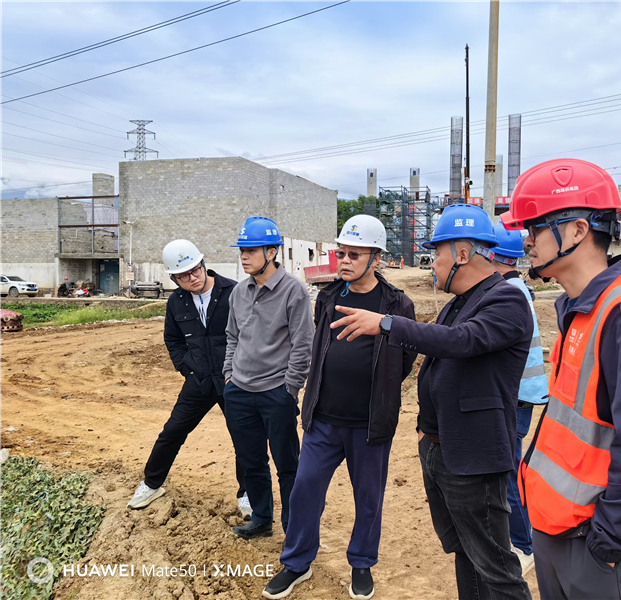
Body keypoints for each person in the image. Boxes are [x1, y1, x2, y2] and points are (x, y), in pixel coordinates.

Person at [327, 203, 534, 600]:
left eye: (436, 254)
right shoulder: (458, 301)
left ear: (462, 254)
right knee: (465, 551)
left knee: (495, 565)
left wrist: (386, 323)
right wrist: (425, 431)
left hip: (473, 458)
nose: (431, 265)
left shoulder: (506, 300)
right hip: (442, 449)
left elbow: (462, 342)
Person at [504, 159, 621, 600]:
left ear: (577, 230)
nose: (526, 240)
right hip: (560, 530)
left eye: (535, 227)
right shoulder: (580, 309)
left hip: (601, 549)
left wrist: (606, 544)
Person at [264, 215, 417, 600]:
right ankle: (297, 563)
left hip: (369, 424)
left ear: (376, 258)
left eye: (354, 254)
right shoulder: (329, 296)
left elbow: (404, 360)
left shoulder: (398, 304)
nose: (344, 261)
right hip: (323, 420)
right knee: (305, 490)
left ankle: (361, 563)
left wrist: (379, 389)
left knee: (368, 498)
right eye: (341, 253)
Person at [128, 240, 248, 516]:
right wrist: (187, 368)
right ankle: (151, 484)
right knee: (172, 432)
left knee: (245, 438)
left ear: (203, 265)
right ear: (174, 279)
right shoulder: (176, 301)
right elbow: (173, 339)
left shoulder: (234, 292)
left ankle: (248, 494)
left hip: (234, 380)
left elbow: (251, 334)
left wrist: (242, 371)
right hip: (199, 380)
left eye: (195, 270)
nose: (192, 278)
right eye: (183, 276)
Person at [223, 217, 314, 540]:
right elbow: (232, 336)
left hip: (277, 393)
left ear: (272, 252)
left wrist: (290, 388)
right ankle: (262, 519)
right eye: (241, 251)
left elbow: (303, 344)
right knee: (251, 461)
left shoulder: (294, 291)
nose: (244, 256)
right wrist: (229, 376)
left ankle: (293, 527)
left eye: (251, 250)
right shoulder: (239, 292)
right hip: (239, 392)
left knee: (288, 464)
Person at [490, 222, 549, 575]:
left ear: (492, 255)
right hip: (522, 394)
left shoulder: (507, 293)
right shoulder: (516, 288)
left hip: (515, 396)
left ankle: (525, 545)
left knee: (508, 472)